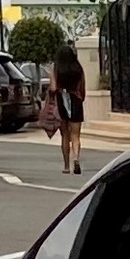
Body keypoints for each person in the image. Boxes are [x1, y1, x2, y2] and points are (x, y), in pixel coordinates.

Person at [49, 44, 87, 175]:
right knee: (76, 135)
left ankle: (66, 165)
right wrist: (80, 98)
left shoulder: (56, 69)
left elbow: (53, 88)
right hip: (75, 100)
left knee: (65, 135)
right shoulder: (78, 69)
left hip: (61, 101)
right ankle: (76, 159)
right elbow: (82, 87)